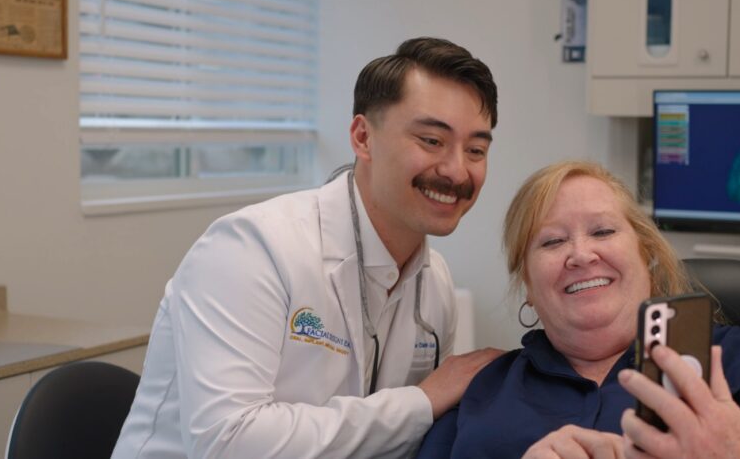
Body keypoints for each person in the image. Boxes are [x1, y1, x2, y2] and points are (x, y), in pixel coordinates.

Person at [112, 37, 505, 459]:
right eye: (431, 140)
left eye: (476, 150)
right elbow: (228, 443)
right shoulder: (251, 249)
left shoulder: (434, 282)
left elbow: (423, 438)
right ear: (362, 137)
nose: (456, 170)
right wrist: (421, 402)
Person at [416, 161, 740, 459]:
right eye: (551, 242)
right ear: (527, 285)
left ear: (647, 258)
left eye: (603, 231)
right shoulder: (482, 391)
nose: (581, 254)